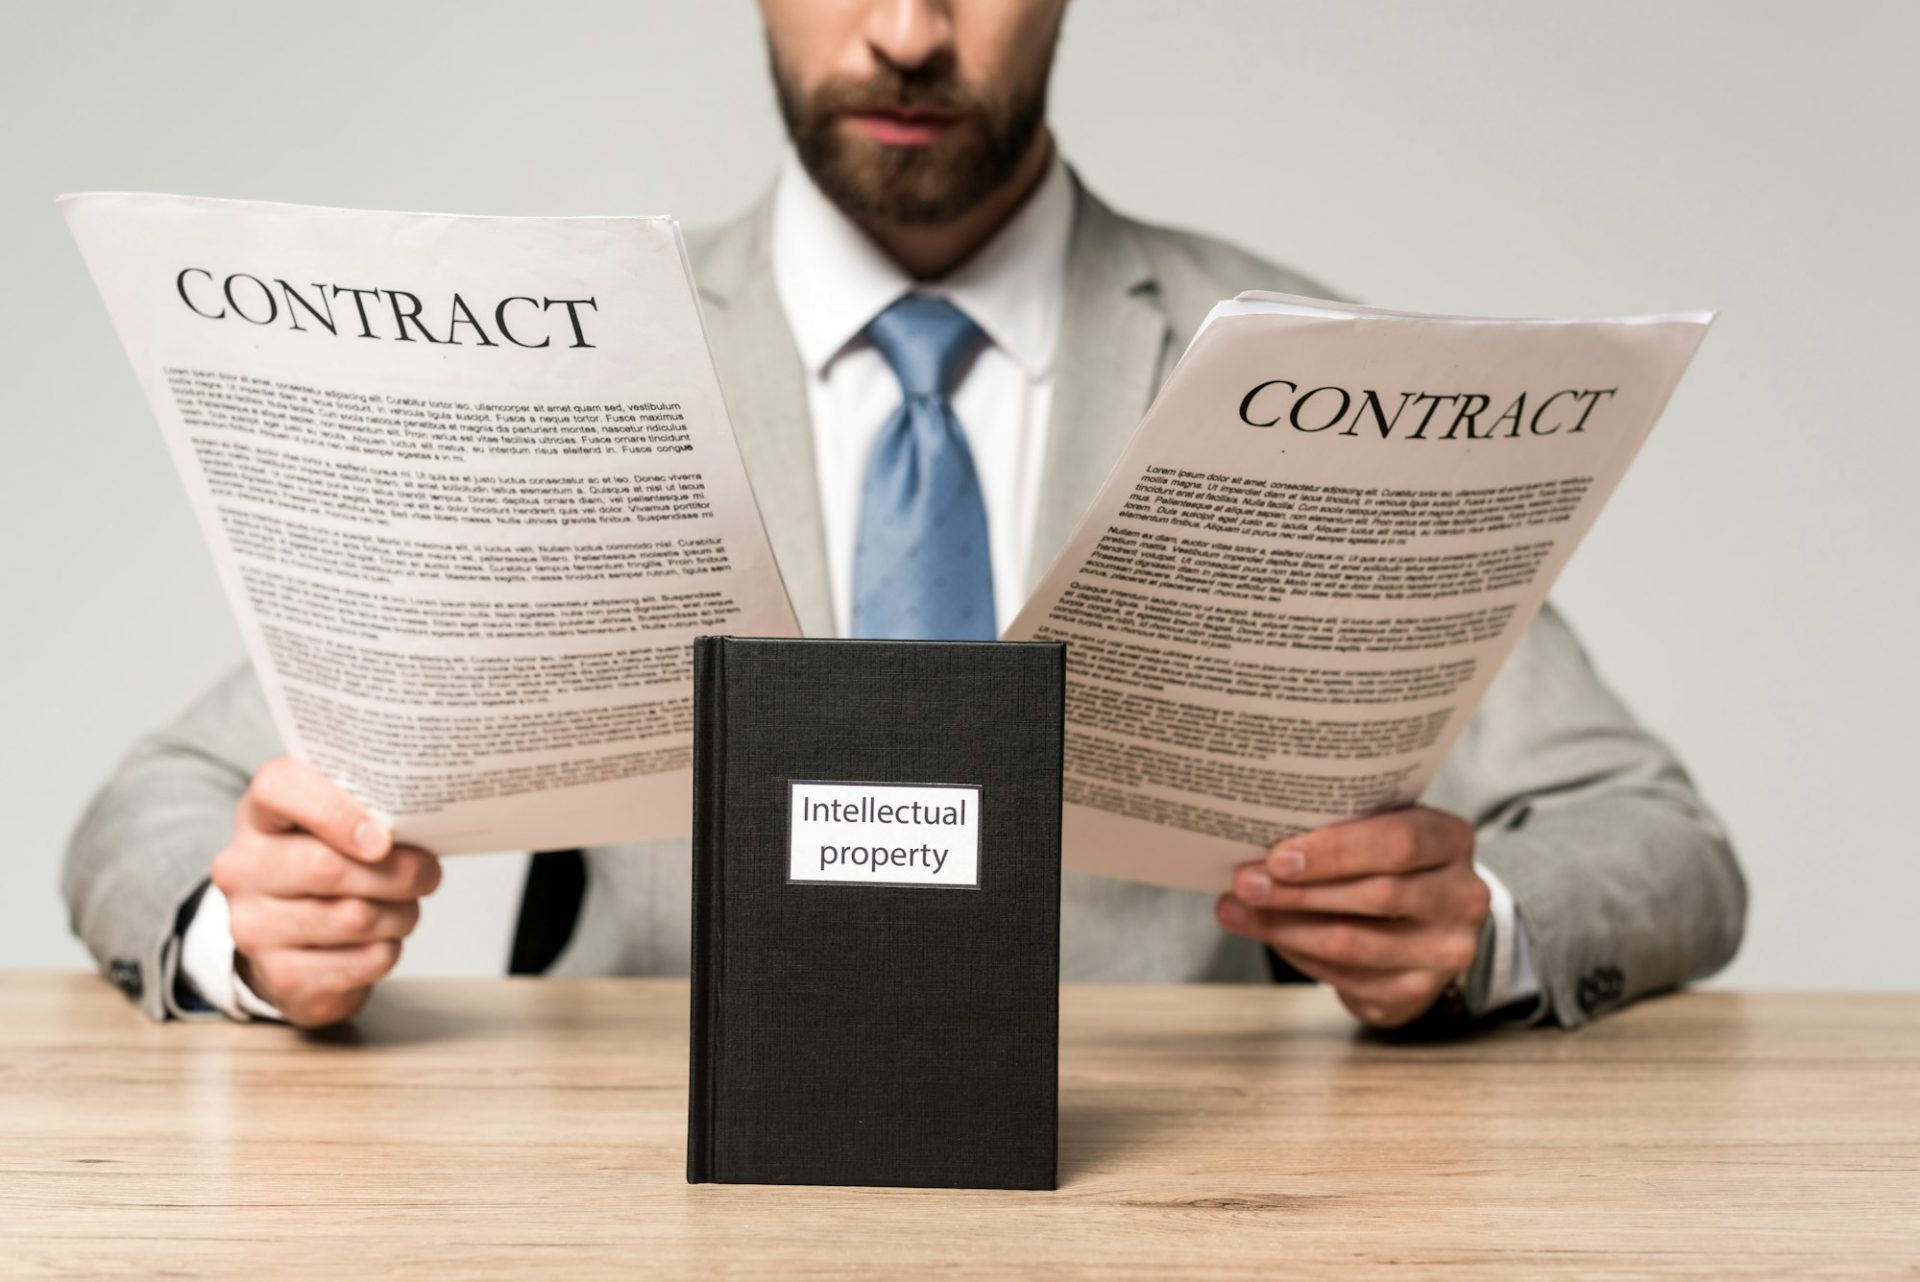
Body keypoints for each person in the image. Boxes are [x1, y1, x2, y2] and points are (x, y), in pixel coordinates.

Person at [64, 0, 1745, 1034]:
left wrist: (1479, 934)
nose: (911, 32)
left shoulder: (1286, 367)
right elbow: (158, 802)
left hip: (1162, 1210)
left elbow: (1658, 836)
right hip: (624, 1208)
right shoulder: (577, 353)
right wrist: (245, 931)